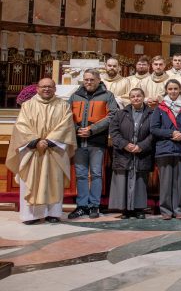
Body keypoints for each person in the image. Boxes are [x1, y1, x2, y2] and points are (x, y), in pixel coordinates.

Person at [8, 78, 76, 224]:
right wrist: (36, 141)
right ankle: (31, 215)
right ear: (37, 89)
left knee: (54, 181)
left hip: (54, 150)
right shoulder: (27, 105)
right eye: (43, 86)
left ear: (55, 89)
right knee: (30, 181)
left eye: (50, 87)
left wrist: (49, 141)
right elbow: (21, 126)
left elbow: (66, 126)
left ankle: (53, 213)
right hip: (32, 151)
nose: (47, 89)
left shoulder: (63, 106)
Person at [68, 69, 119, 219]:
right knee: (81, 175)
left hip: (97, 141)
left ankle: (94, 205)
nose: (89, 82)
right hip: (78, 141)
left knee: (96, 174)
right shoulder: (75, 96)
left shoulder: (107, 95)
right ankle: (82, 206)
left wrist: (92, 129)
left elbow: (113, 115)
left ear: (98, 80)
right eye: (86, 80)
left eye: (92, 79)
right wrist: (77, 129)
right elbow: (66, 115)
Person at [151, 79, 181, 220]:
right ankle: (166, 210)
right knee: (165, 182)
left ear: (180, 90)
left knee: (178, 181)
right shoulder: (160, 108)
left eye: (175, 88)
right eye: (170, 89)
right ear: (166, 91)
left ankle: (178, 209)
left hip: (180, 148)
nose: (173, 91)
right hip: (164, 149)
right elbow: (154, 129)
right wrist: (171, 133)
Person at [108, 88, 153, 219]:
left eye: (138, 96)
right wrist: (125, 145)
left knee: (140, 181)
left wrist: (142, 146)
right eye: (133, 96)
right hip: (124, 153)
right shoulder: (121, 114)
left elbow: (154, 133)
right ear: (129, 98)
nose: (136, 98)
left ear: (143, 97)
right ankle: (125, 209)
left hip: (142, 152)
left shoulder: (152, 113)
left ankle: (139, 209)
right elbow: (114, 131)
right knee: (123, 180)